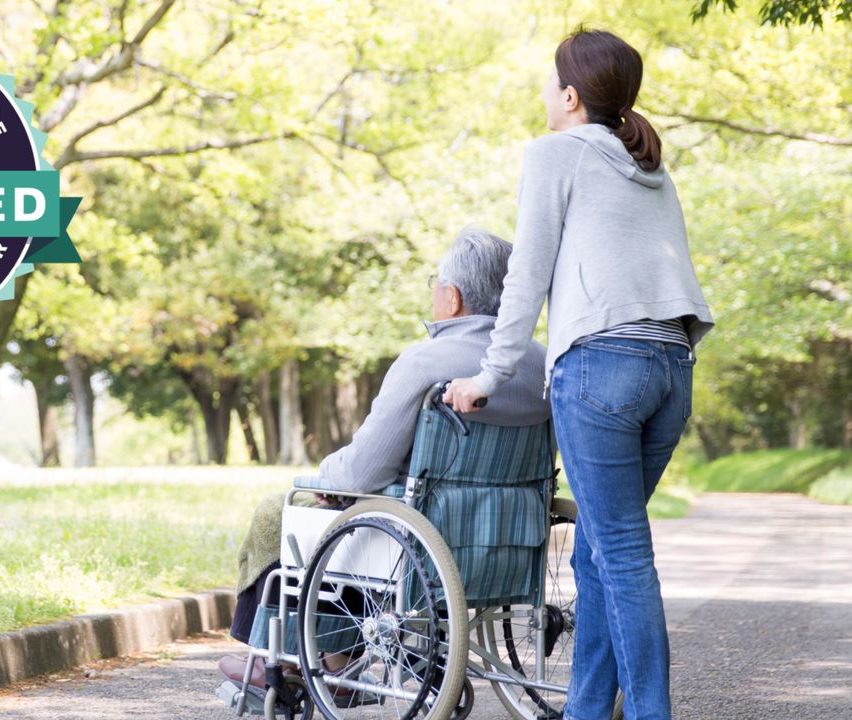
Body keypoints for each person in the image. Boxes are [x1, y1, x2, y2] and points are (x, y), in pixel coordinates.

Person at [445, 28, 714, 720]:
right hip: (670, 368)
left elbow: (525, 276)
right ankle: (587, 712)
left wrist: (487, 375)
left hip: (600, 367)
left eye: (548, 81)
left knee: (619, 553)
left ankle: (654, 712)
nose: (543, 92)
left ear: (570, 96)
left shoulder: (555, 153)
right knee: (597, 554)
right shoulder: (649, 167)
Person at [219, 227, 552, 688]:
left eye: (436, 282)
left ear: (451, 298)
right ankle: (334, 659)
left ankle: (280, 659)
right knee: (364, 517)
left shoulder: (426, 361)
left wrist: (323, 477)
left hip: (418, 539)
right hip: (506, 538)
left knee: (283, 512)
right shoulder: (542, 366)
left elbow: (361, 471)